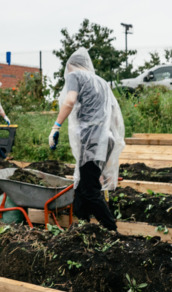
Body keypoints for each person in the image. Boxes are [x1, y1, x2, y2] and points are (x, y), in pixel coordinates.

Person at [49, 48, 124, 232]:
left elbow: (69, 101)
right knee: (82, 187)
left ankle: (111, 229)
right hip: (107, 138)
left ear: (71, 66)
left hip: (92, 140)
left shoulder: (76, 76)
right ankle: (81, 226)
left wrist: (56, 127)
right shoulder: (102, 82)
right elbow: (114, 113)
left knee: (90, 190)